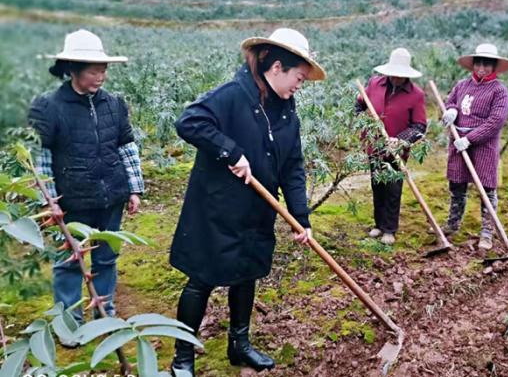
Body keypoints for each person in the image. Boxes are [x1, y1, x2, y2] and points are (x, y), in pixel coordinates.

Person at [169, 28, 325, 375]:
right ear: (277, 67)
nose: (300, 85)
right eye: (298, 77)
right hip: (216, 209)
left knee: (246, 274)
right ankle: (183, 358)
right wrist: (231, 152)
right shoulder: (232, 95)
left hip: (256, 212)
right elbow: (188, 122)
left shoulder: (286, 112)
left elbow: (293, 166)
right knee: (202, 278)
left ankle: (239, 345)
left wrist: (301, 217)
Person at [28, 29, 144, 341]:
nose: (101, 76)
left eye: (104, 69)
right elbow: (41, 157)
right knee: (68, 262)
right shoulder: (49, 107)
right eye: (95, 70)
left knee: (106, 258)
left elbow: (126, 147)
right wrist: (49, 201)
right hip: (72, 201)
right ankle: (68, 324)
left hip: (111, 197)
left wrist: (134, 188)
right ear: (74, 70)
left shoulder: (114, 105)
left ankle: (104, 316)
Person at [441, 43, 508, 250]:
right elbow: (451, 102)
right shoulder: (462, 85)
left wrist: (471, 138)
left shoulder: (499, 91)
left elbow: (495, 121)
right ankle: (453, 224)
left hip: (483, 146)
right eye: (478, 63)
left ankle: (487, 233)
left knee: (487, 189)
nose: (482, 68)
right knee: (457, 185)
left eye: (487, 64)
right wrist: (451, 111)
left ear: (494, 67)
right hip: (458, 141)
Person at [355, 47, 427, 246]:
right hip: (375, 146)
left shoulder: (416, 95)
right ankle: (378, 224)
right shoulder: (375, 84)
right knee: (377, 185)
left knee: (393, 189)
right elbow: (360, 104)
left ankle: (389, 229)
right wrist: (363, 121)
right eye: (393, 74)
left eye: (399, 75)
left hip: (397, 151)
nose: (395, 78)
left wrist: (401, 140)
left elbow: (419, 126)